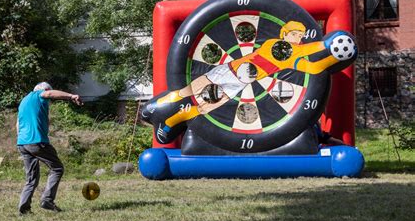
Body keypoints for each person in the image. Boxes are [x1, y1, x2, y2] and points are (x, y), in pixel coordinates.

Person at [142, 21, 351, 144]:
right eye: (295, 34)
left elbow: (310, 66)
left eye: (300, 35)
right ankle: (161, 104)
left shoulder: (292, 55)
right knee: (190, 90)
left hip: (239, 83)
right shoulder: (277, 46)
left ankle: (170, 121)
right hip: (231, 70)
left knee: (206, 107)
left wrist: (330, 55)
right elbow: (303, 53)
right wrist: (324, 47)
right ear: (285, 33)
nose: (298, 37)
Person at [17, 82, 83, 215]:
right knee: (57, 168)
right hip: (36, 142)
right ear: (44, 90)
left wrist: (22, 139)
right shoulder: (39, 95)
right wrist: (71, 96)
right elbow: (49, 93)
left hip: (22, 143)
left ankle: (24, 209)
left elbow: (17, 123)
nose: (49, 101)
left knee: (31, 178)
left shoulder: (24, 101)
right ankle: (47, 200)